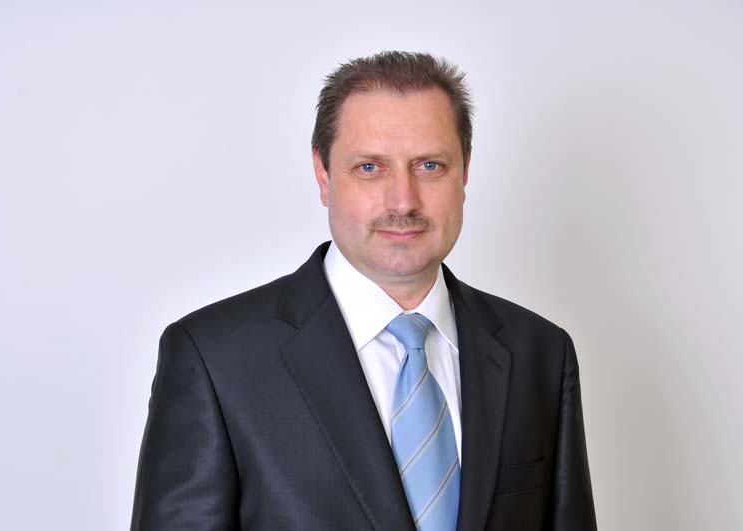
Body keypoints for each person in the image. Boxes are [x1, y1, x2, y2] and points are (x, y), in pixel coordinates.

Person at [130, 51, 597, 531]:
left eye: (430, 165)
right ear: (324, 175)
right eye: (370, 167)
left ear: (464, 173)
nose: (403, 201)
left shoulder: (540, 353)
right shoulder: (215, 360)